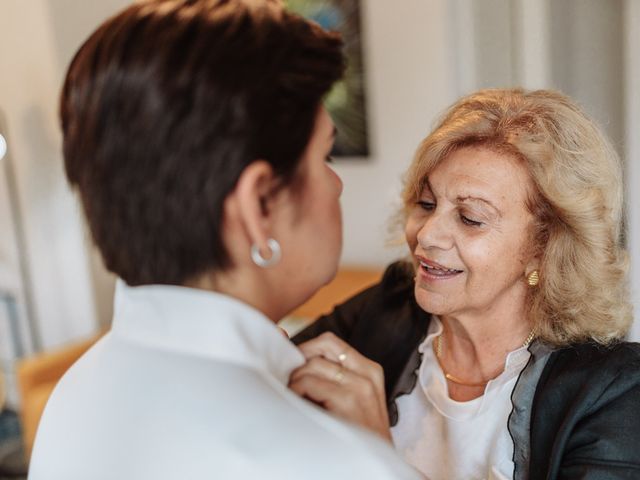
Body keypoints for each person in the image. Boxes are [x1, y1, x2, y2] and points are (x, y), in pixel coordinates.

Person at [27, 1, 422, 479]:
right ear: (258, 207)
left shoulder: (72, 396)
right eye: (326, 158)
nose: (335, 185)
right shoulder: (333, 463)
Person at [291, 88, 640, 479]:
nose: (426, 236)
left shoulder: (615, 391)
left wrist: (376, 452)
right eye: (426, 204)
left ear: (544, 246)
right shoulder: (389, 307)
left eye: (471, 218)